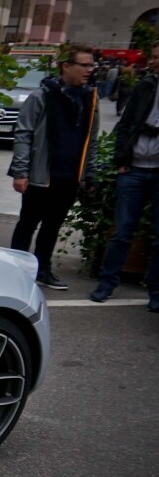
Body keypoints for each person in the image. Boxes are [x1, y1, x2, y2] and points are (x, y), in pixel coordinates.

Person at [8, 44, 100, 291]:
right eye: (84, 65)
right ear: (66, 66)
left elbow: (92, 138)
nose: (89, 70)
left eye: (91, 65)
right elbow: (24, 134)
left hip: (69, 177)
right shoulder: (42, 96)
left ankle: (42, 270)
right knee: (27, 223)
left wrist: (89, 174)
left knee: (53, 226)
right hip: (41, 175)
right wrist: (21, 172)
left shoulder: (90, 98)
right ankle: (15, 270)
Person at [89, 43, 159, 311]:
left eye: (155, 58)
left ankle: (155, 291)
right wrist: (121, 161)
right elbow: (126, 123)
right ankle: (107, 283)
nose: (150, 62)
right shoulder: (146, 85)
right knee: (121, 232)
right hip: (134, 169)